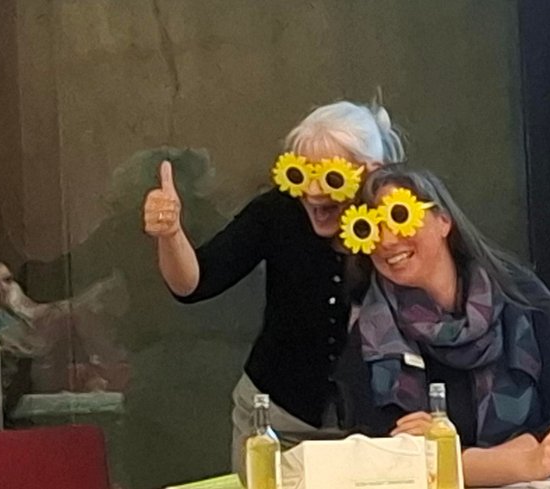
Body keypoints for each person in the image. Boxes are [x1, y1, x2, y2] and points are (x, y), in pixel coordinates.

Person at [142, 99, 405, 475]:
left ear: (369, 173)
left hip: (373, 427)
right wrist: (170, 235)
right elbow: (194, 283)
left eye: (330, 177)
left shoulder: (398, 223)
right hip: (275, 423)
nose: (313, 192)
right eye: (300, 175)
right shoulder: (276, 213)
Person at [333, 166, 550, 486]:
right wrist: (522, 460)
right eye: (369, 228)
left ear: (443, 220)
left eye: (399, 216)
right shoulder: (370, 335)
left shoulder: (521, 297)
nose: (387, 240)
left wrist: (448, 456)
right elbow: (383, 459)